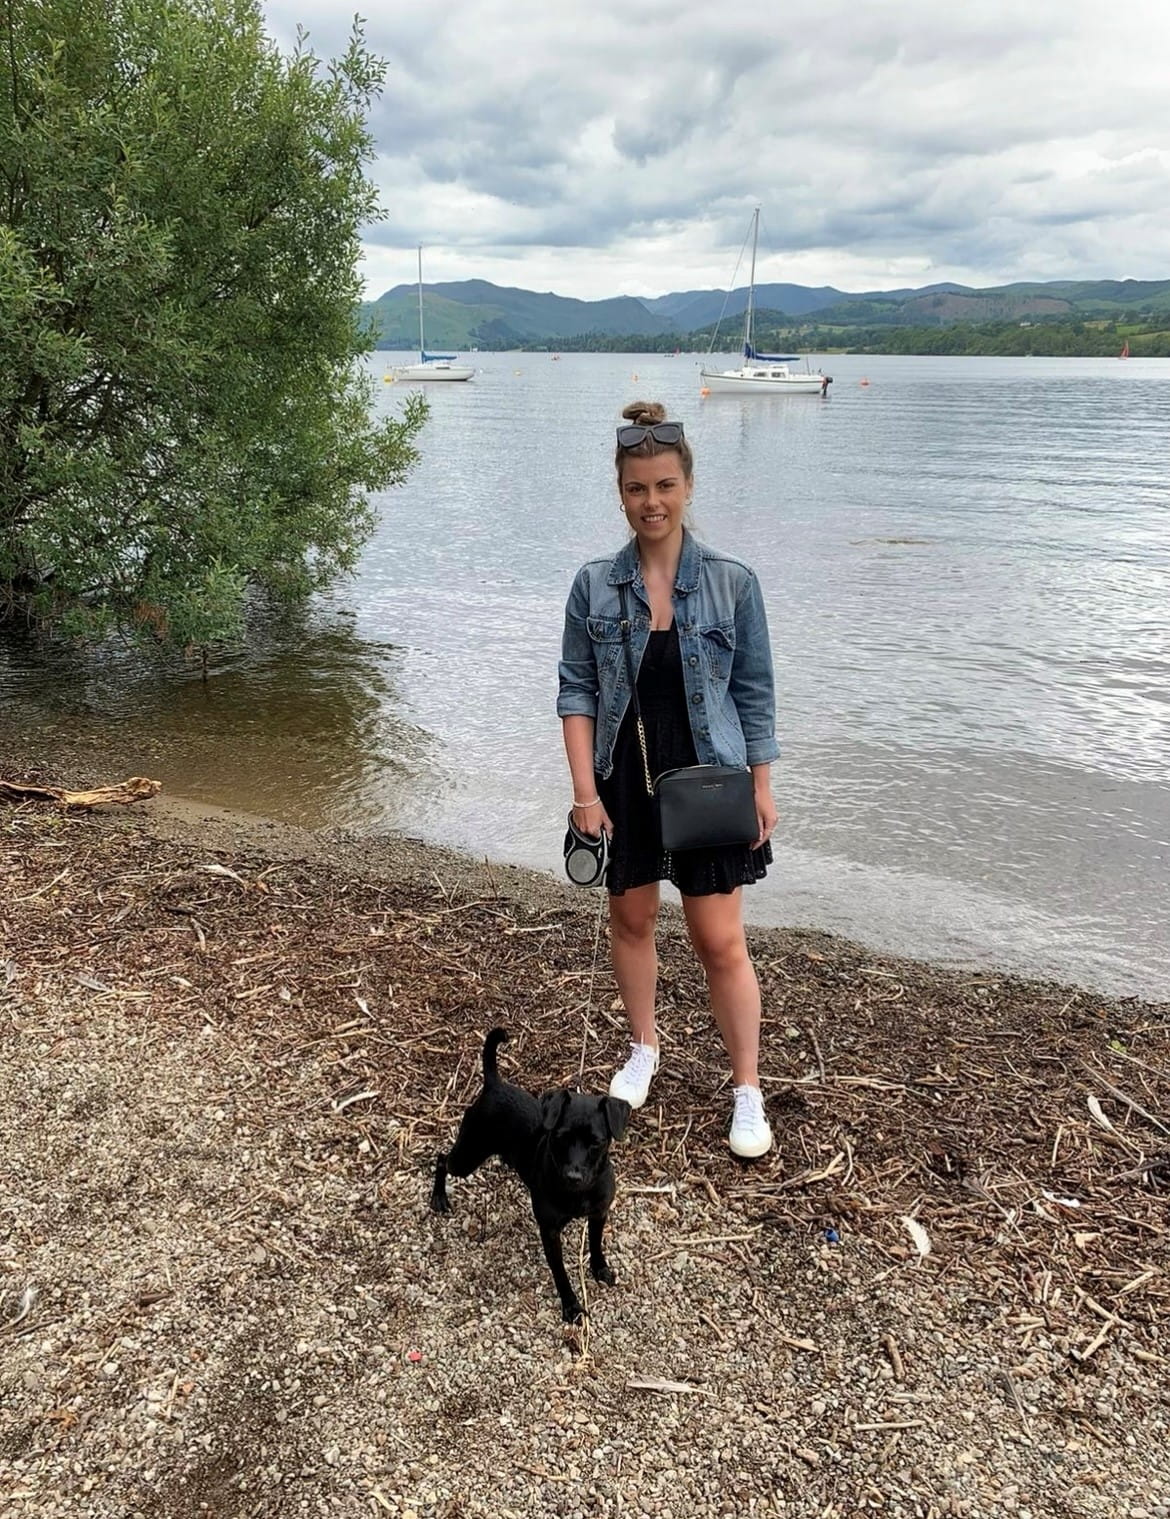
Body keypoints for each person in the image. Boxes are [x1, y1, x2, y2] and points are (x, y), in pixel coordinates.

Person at [557, 401, 780, 1158]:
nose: (651, 501)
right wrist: (585, 794)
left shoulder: (732, 583)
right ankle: (644, 1046)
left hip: (710, 781)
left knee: (720, 940)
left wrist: (761, 786)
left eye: (664, 485)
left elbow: (754, 693)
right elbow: (577, 692)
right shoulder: (594, 585)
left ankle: (746, 1087)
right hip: (624, 780)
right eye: (636, 488)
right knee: (632, 922)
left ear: (687, 485)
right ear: (620, 493)